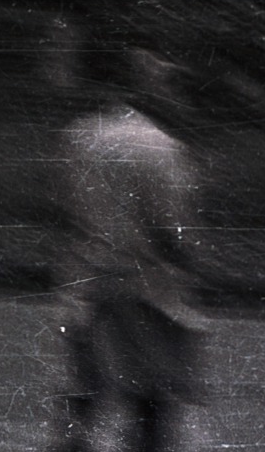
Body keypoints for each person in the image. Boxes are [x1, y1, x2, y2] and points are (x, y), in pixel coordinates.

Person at [53, 48, 205, 452]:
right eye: (166, 83)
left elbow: (70, 208)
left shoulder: (80, 135)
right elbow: (172, 228)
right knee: (151, 397)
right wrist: (191, 268)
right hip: (143, 285)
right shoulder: (161, 148)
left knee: (85, 389)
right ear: (149, 89)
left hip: (86, 276)